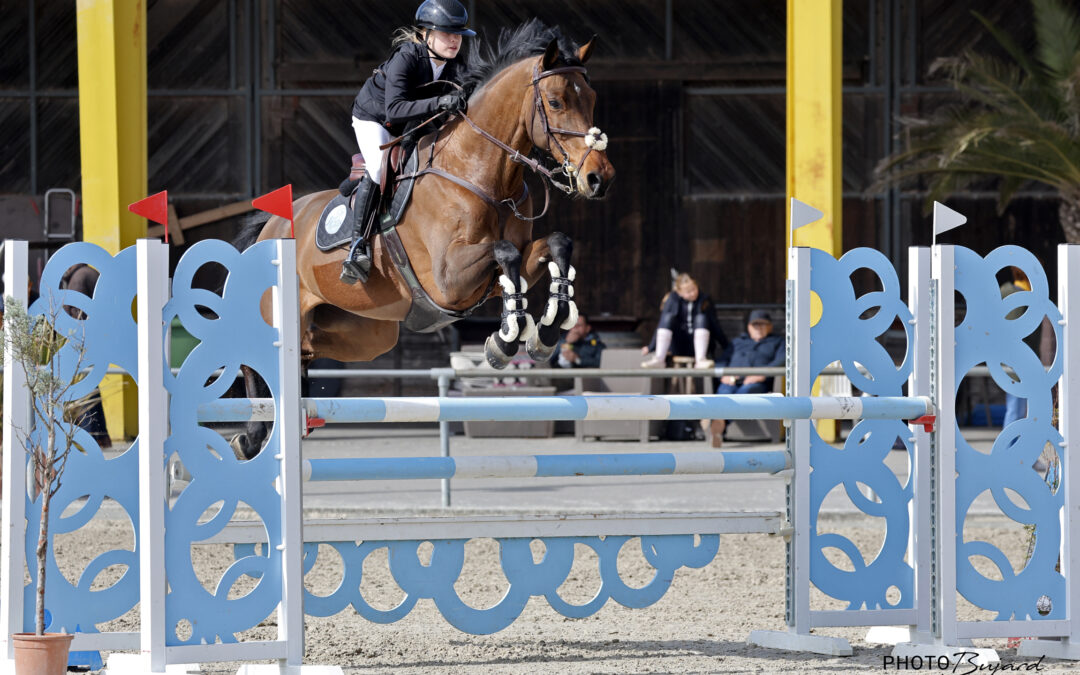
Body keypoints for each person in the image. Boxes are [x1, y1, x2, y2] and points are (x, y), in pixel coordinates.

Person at [341, 0, 474, 284]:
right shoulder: (407, 57)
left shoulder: (454, 64)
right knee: (378, 170)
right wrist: (441, 102)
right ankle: (357, 247)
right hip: (375, 119)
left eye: (458, 34)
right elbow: (395, 109)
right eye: (446, 33)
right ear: (426, 34)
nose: (454, 40)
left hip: (409, 125)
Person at [710, 309, 784, 444]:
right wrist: (724, 374)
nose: (758, 328)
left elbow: (781, 360)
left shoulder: (778, 341)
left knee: (746, 392)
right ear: (749, 327)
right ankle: (719, 425)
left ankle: (719, 422)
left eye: (763, 324)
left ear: (770, 327)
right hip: (731, 380)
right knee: (723, 391)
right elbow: (722, 360)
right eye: (755, 325)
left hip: (757, 383)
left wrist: (762, 374)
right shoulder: (737, 342)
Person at [641, 273, 725, 369]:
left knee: (701, 318)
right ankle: (659, 359)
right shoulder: (672, 299)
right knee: (668, 317)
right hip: (679, 344)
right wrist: (651, 347)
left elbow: (715, 325)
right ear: (679, 292)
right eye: (688, 292)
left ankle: (701, 360)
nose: (693, 293)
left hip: (699, 346)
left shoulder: (704, 299)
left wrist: (726, 345)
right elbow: (662, 324)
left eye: (694, 289)